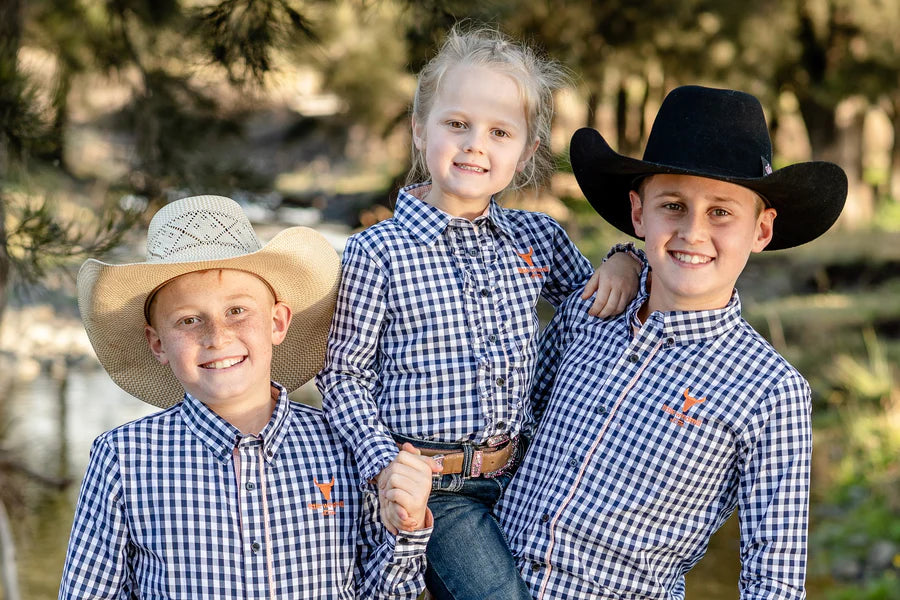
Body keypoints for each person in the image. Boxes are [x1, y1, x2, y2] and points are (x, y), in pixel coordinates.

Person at [316, 26, 641, 600]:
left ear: (526, 152)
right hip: (436, 491)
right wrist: (386, 466)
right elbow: (343, 375)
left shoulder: (537, 239)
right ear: (420, 130)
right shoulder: (379, 251)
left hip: (526, 473)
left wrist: (625, 261)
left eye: (499, 132)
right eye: (457, 124)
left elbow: (597, 306)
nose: (475, 145)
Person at [497, 84, 848, 599]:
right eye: (673, 205)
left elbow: (773, 580)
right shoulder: (589, 312)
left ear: (761, 230)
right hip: (483, 579)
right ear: (639, 213)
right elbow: (507, 429)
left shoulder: (772, 393)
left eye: (721, 212)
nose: (693, 232)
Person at [59, 195, 438, 599]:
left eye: (237, 311)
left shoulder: (343, 445)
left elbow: (385, 593)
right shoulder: (124, 457)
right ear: (158, 344)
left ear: (277, 322)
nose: (217, 337)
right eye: (189, 320)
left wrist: (407, 527)